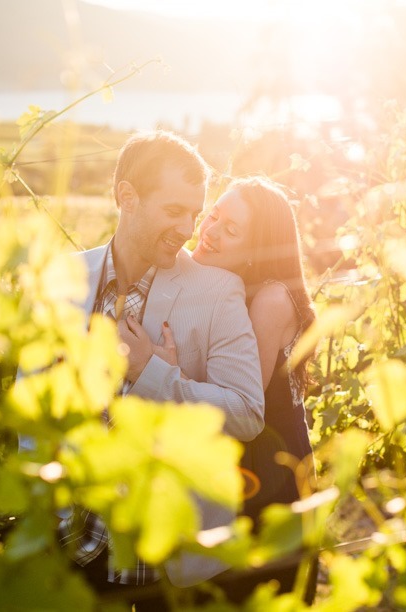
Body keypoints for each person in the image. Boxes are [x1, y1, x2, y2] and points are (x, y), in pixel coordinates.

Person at [66, 130, 266, 606]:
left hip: (168, 562)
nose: (189, 229)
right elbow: (31, 396)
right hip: (74, 552)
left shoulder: (217, 291)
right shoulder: (67, 278)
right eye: (175, 211)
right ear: (127, 197)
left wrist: (154, 374)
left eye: (195, 214)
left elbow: (247, 413)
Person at [122, 175, 319, 604]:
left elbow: (240, 405)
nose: (208, 232)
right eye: (213, 216)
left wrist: (162, 370)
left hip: (268, 470)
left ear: (259, 248)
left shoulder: (269, 300)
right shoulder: (218, 284)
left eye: (231, 230)